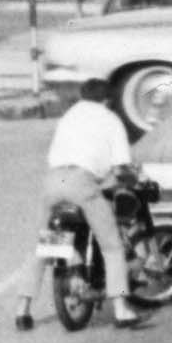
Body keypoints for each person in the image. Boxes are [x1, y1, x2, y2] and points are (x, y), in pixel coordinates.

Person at [46, 75, 149, 323]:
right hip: (83, 182)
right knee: (112, 246)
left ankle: (72, 270)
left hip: (52, 181)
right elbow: (122, 165)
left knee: (57, 229)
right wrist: (135, 180)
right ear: (107, 101)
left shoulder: (69, 116)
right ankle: (122, 309)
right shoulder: (110, 119)